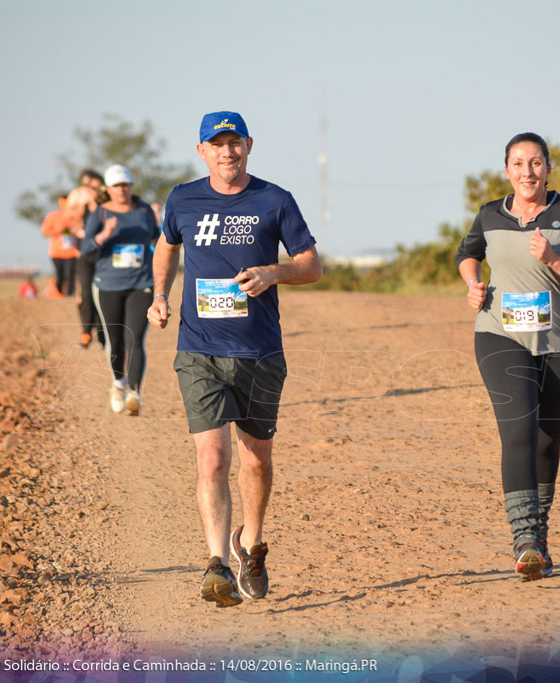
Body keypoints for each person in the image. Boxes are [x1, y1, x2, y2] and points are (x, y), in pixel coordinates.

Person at [147, 111, 321, 607]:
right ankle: (217, 563)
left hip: (260, 351)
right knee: (212, 458)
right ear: (201, 150)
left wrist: (274, 273)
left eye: (235, 142)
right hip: (199, 349)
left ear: (249, 145)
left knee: (256, 461)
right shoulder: (182, 198)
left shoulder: (275, 200)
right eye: (216, 143)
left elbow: (312, 265)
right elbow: (166, 248)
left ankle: (252, 545)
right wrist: (159, 293)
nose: (227, 151)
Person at [456, 132, 560, 581]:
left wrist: (555, 260)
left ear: (549, 168)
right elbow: (468, 255)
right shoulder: (489, 215)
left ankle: (539, 537)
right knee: (519, 427)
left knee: (547, 439)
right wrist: (473, 283)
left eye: (536, 163)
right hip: (499, 334)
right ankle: (523, 539)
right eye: (519, 163)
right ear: (507, 170)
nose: (528, 172)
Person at [80, 164, 160, 416]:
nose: (121, 190)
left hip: (141, 283)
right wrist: (104, 235)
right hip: (109, 286)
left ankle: (134, 394)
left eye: (125, 185)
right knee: (114, 341)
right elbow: (85, 248)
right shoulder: (101, 213)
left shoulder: (144, 210)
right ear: (108, 189)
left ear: (131, 186)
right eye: (116, 186)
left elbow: (157, 238)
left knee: (134, 339)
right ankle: (118, 385)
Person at [76, 169, 107, 348]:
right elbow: (69, 224)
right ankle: (86, 331)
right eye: (86, 185)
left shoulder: (106, 207)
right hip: (85, 256)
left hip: (103, 256)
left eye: (92, 185)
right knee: (86, 295)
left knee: (102, 296)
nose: (89, 189)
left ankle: (103, 335)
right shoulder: (83, 207)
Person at [40, 194, 79, 296]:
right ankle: (59, 295)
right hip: (56, 253)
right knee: (60, 276)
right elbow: (44, 233)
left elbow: (81, 229)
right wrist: (58, 230)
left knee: (70, 276)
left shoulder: (76, 216)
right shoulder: (53, 216)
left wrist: (74, 230)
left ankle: (69, 296)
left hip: (71, 252)